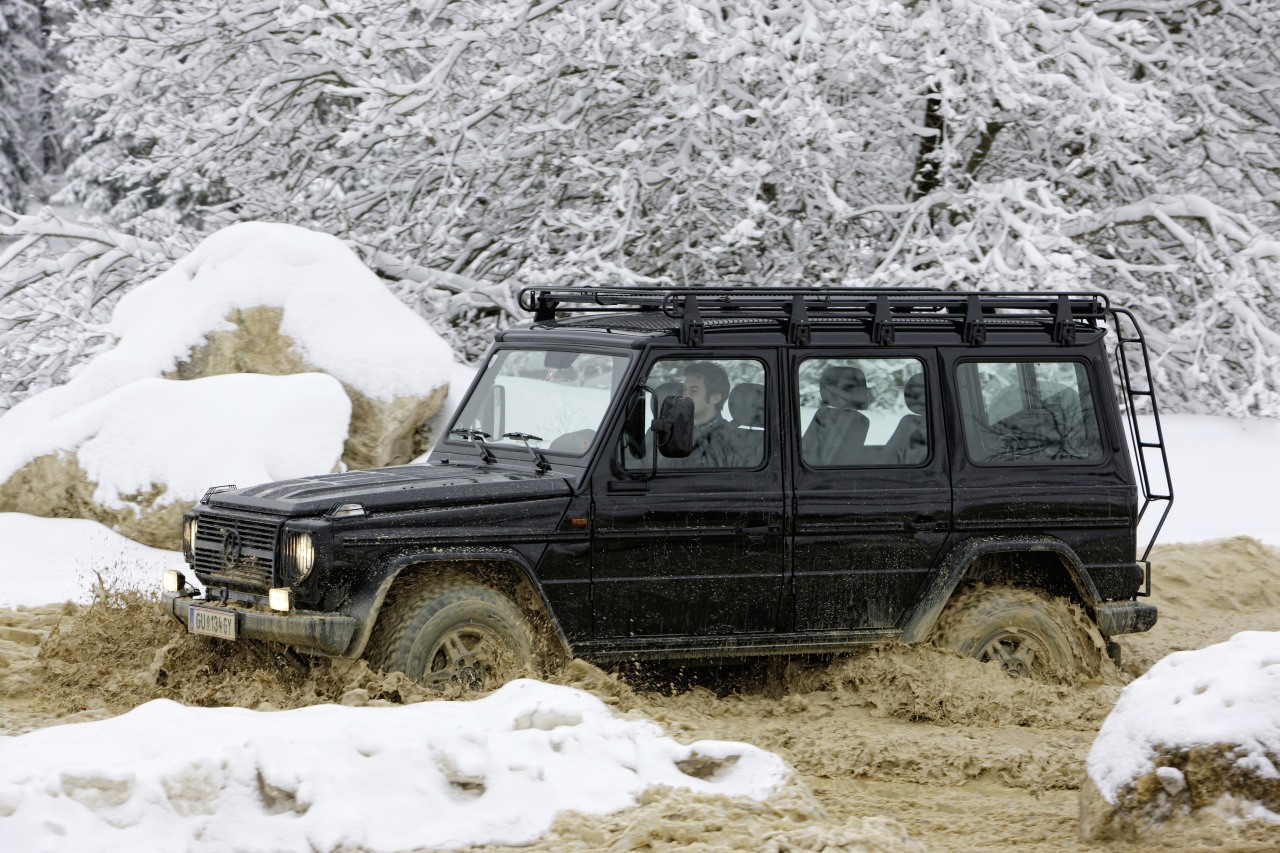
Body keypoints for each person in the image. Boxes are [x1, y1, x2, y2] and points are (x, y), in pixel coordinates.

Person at [666, 361, 740, 468]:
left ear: (714, 398)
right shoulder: (673, 430)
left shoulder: (726, 440)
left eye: (693, 391)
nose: (684, 396)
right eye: (685, 389)